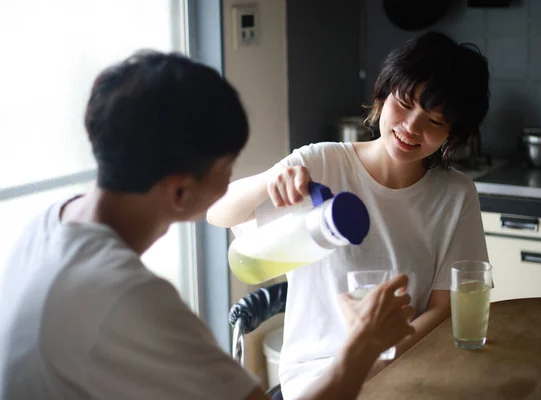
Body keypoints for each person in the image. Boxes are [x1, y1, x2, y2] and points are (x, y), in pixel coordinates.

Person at [0, 50, 415, 400]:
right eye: (227, 168)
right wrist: (364, 344)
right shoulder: (129, 296)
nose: (231, 179)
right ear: (180, 193)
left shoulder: (49, 223)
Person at [207, 31, 491, 399]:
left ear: (453, 134)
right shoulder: (320, 162)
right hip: (315, 379)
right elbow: (217, 212)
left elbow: (443, 308)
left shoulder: (455, 195)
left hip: (406, 372)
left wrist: (376, 362)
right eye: (404, 104)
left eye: (435, 122)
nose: (411, 127)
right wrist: (269, 181)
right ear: (383, 94)